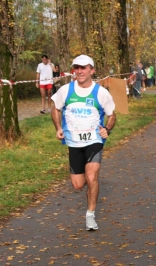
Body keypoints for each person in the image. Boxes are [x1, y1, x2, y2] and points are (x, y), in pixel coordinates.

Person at [51, 54, 116, 231]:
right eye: (76, 68)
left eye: (84, 68)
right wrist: (58, 127)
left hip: (94, 140)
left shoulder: (101, 92)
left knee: (92, 176)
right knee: (78, 184)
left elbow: (112, 116)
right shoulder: (66, 90)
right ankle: (89, 183)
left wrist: (107, 129)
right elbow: (55, 109)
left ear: (91, 70)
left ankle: (90, 216)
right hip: (74, 142)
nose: (79, 71)